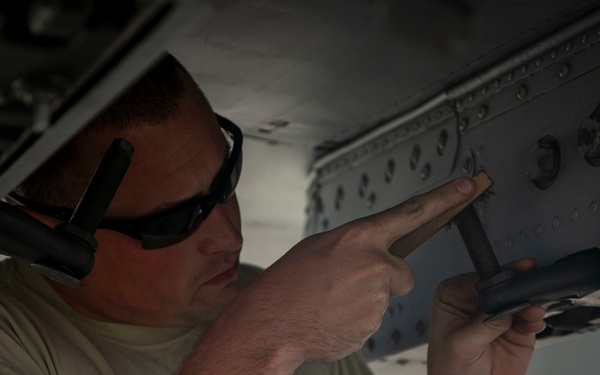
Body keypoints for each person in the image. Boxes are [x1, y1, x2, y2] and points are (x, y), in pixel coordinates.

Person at [0, 53, 546, 374]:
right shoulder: (15, 341)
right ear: (47, 237)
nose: (229, 236)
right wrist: (268, 339)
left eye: (226, 180)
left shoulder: (296, 308)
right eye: (174, 220)